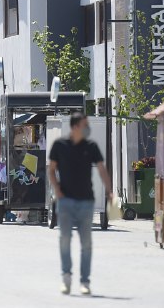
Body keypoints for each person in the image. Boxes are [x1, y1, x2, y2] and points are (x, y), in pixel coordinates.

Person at [48, 112, 113, 296]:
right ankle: (66, 277)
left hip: (86, 201)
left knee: (86, 244)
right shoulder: (59, 146)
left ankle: (85, 282)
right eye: (85, 125)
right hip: (65, 201)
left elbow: (101, 169)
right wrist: (57, 191)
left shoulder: (91, 146)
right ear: (76, 126)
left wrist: (109, 191)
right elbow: (51, 170)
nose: (88, 128)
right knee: (65, 240)